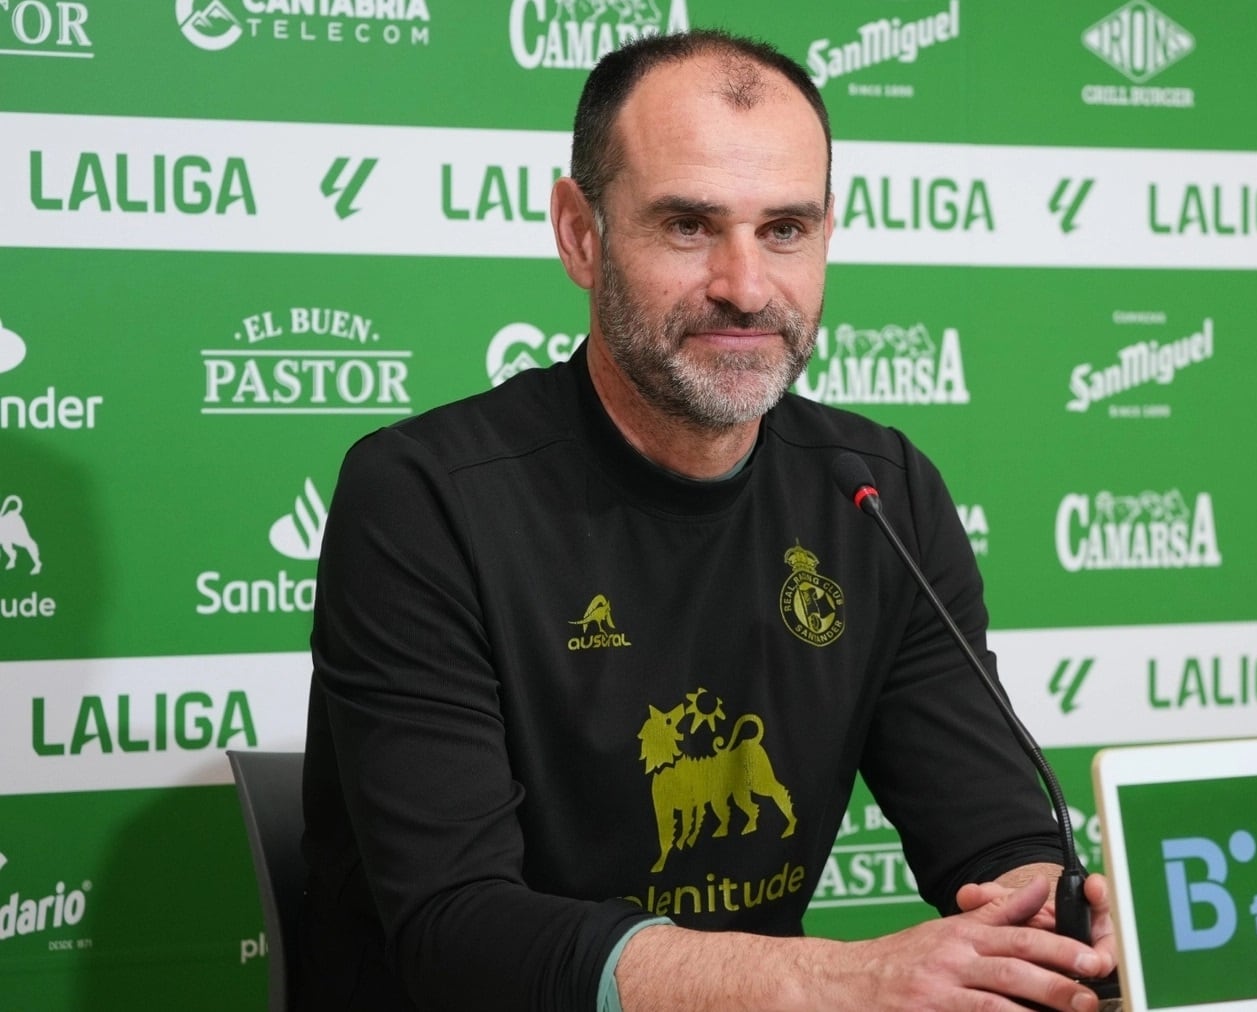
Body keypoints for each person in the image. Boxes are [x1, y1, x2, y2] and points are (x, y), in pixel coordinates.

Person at [299, 28, 1116, 1011]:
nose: (745, 286)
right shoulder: (423, 498)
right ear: (579, 232)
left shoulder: (878, 493)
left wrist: (1052, 914)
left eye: (784, 229)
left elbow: (991, 838)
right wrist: (841, 978)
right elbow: (458, 932)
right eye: (688, 226)